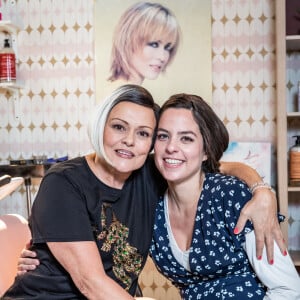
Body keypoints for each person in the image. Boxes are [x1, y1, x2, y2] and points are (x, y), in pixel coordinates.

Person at [6, 85, 285, 299]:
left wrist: (262, 191)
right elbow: (90, 282)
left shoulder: (150, 175)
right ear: (101, 126)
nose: (128, 141)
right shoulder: (63, 182)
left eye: (143, 134)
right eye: (118, 127)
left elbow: (211, 164)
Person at [150, 93, 300, 299]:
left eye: (186, 138)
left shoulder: (230, 196)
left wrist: (261, 189)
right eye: (163, 136)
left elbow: (289, 290)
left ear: (205, 151)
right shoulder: (151, 203)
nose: (171, 147)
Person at [106, 2, 180, 87]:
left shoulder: (128, 93)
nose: (162, 57)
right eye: (154, 44)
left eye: (167, 47)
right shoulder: (125, 97)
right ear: (128, 41)